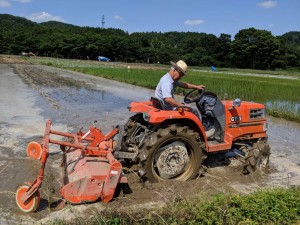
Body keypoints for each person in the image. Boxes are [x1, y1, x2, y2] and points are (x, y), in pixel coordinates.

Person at [155, 60, 215, 137]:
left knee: (187, 108)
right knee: (194, 111)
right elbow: (168, 99)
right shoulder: (167, 82)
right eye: (181, 75)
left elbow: (184, 84)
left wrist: (196, 87)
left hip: (164, 106)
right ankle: (202, 134)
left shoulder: (170, 79)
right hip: (167, 108)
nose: (180, 77)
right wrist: (181, 105)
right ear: (174, 70)